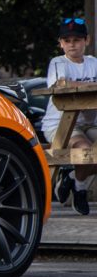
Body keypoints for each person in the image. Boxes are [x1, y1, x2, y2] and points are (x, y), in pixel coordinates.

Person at [42, 17, 97, 216]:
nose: (72, 44)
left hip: (89, 123)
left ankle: (73, 178)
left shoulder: (93, 63)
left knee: (93, 153)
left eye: (77, 39)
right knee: (85, 151)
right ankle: (80, 189)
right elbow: (61, 84)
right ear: (61, 43)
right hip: (60, 124)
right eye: (67, 40)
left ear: (87, 41)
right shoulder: (58, 62)